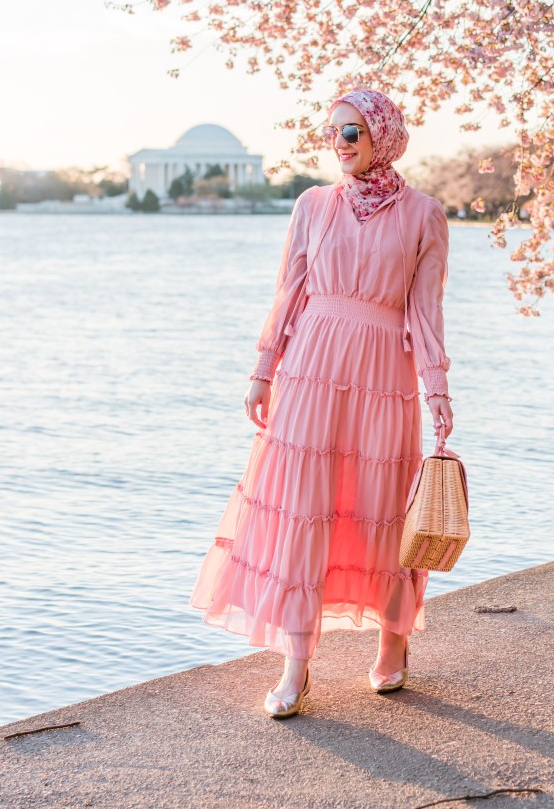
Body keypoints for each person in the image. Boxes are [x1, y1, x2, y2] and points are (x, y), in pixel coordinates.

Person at [190, 88, 453, 718]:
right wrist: (263, 370)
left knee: (382, 508)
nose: (340, 143)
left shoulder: (424, 214)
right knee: (304, 508)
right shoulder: (312, 205)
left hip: (385, 372)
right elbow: (290, 291)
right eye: (333, 131)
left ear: (383, 137)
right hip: (310, 369)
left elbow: (427, 311)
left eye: (353, 132)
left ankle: (394, 643)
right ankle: (297, 665)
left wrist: (437, 387)